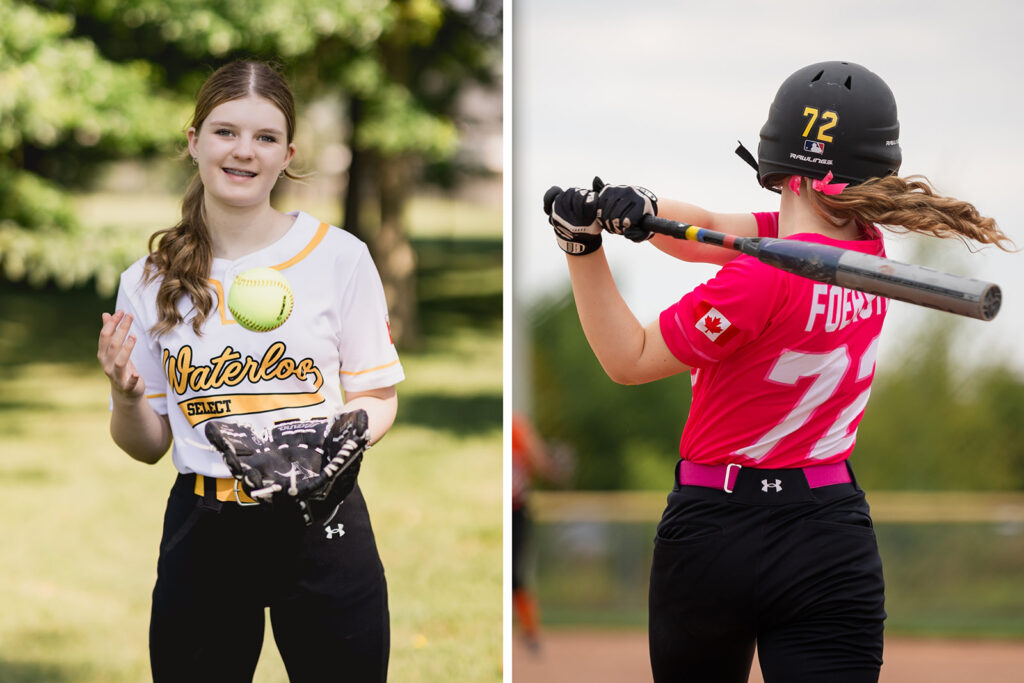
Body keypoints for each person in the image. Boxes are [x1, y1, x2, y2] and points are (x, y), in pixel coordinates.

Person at [544, 60, 1014, 682]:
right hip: (829, 533)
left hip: (714, 532)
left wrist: (580, 247)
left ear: (778, 167)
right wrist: (645, 208)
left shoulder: (758, 279)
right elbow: (711, 230)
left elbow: (627, 359)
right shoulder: (864, 248)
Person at [97, 60, 404, 682]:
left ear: (287, 155)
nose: (244, 151)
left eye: (265, 137)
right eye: (225, 132)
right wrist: (126, 398)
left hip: (322, 519)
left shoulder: (339, 257)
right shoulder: (148, 281)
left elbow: (376, 394)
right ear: (194, 141)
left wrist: (330, 445)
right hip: (205, 527)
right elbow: (147, 446)